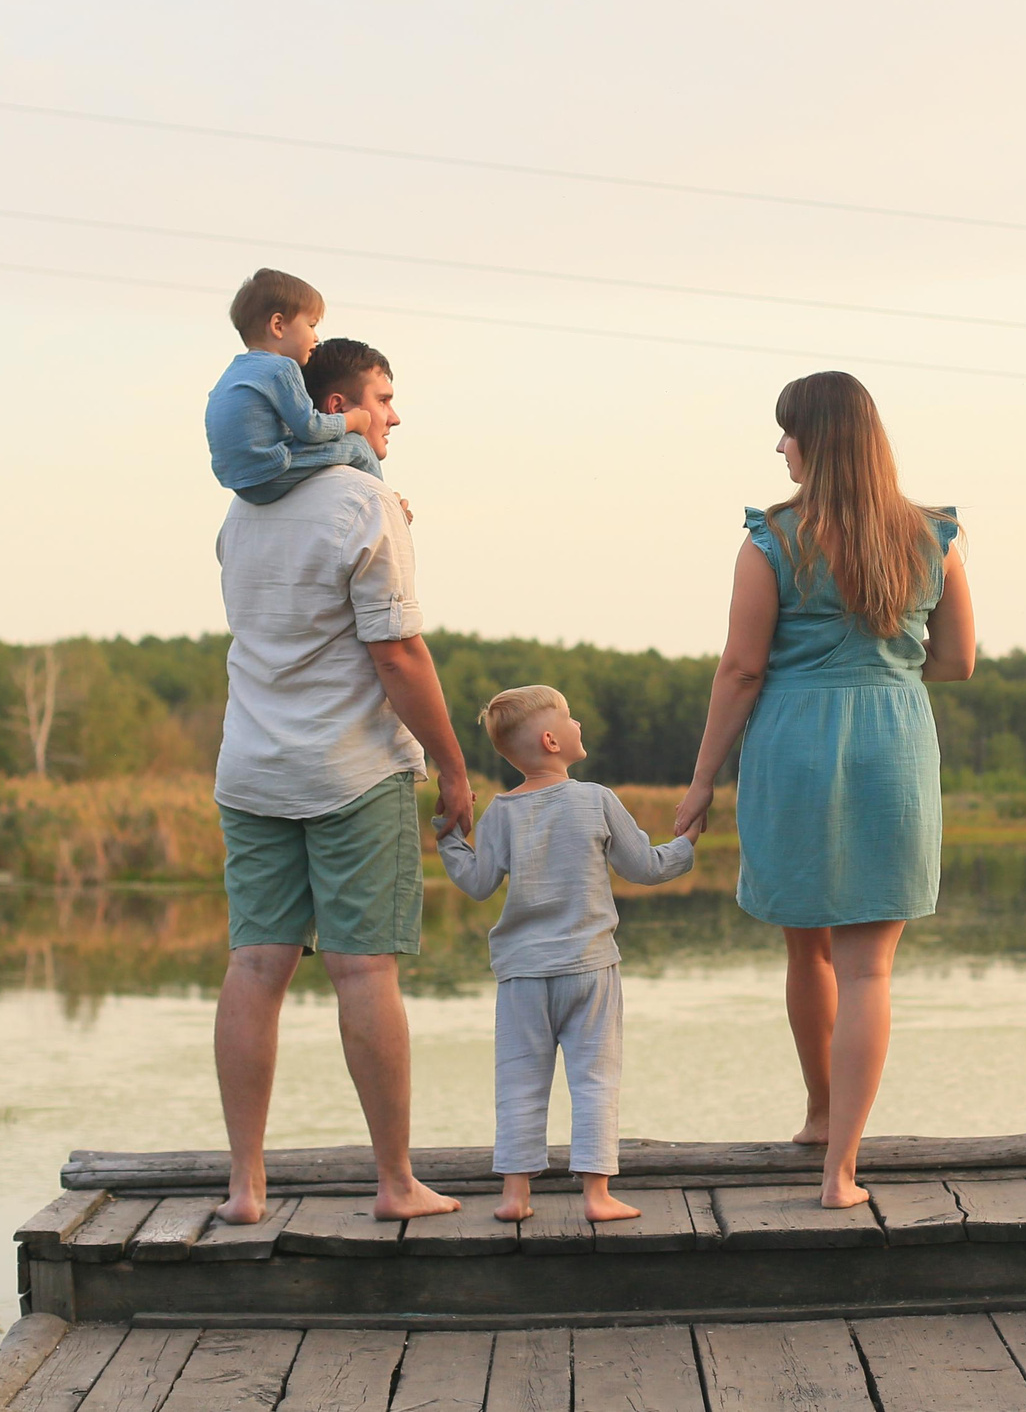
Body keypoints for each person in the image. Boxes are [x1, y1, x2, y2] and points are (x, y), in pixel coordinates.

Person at [673, 371, 975, 1209]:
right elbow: (958, 660)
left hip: (794, 742)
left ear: (818, 439)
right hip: (894, 742)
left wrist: (701, 781)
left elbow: (740, 668)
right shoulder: (930, 535)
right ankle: (842, 1166)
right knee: (869, 968)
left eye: (787, 432)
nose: (780, 447)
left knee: (806, 942)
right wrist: (885, 669)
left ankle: (816, 1112)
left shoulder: (771, 537)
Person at [209, 334, 474, 1226]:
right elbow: (396, 651)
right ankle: (395, 1182)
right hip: (352, 769)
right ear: (331, 408)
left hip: (252, 766)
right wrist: (452, 761)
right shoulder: (365, 501)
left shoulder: (242, 510)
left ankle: (247, 1183)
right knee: (363, 973)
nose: (393, 415)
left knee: (255, 966)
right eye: (380, 397)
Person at [437, 685, 695, 1224]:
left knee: (518, 1079)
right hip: (590, 968)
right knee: (595, 1078)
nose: (580, 725)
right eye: (571, 718)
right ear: (553, 740)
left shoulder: (502, 813)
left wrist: (448, 840)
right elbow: (645, 867)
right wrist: (686, 844)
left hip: (523, 975)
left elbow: (479, 882)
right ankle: (597, 1196)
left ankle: (514, 1195)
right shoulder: (596, 798)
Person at [205, 267, 381, 504]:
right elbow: (310, 427)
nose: (316, 337)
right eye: (311, 325)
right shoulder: (281, 368)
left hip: (241, 484)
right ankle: (386, 504)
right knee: (358, 446)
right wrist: (352, 420)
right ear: (278, 325)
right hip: (272, 473)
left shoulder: (231, 374)